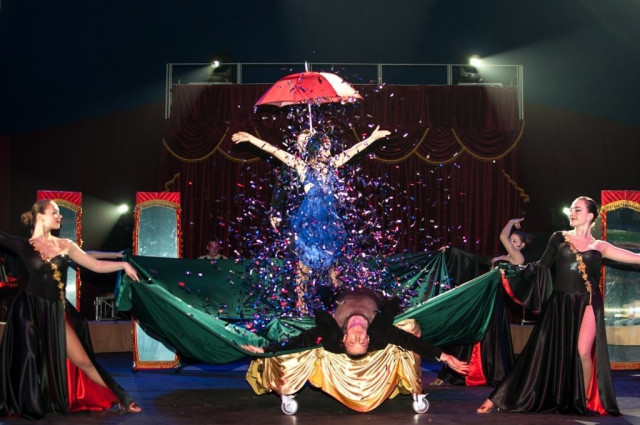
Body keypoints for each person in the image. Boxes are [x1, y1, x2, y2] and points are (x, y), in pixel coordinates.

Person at [477, 196, 640, 415]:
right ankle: (499, 397)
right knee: (537, 351)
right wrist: (511, 272)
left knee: (583, 351)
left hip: (589, 302)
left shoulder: (600, 246)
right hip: (561, 303)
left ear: (590, 216)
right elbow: (541, 267)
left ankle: (582, 401)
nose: (572, 213)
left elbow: (636, 257)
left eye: (577, 209)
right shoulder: (559, 237)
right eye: (571, 209)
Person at [0, 199, 143, 419]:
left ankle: (123, 399)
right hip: (28, 312)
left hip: (56, 312)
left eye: (59, 213)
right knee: (29, 359)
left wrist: (123, 264)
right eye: (55, 212)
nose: (59, 216)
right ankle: (30, 404)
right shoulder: (21, 245)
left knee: (83, 361)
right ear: (40, 216)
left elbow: (94, 264)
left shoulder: (65, 244)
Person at [232, 126, 391, 271]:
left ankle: (334, 291)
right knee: (304, 267)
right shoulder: (301, 166)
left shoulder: (333, 164)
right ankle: (301, 294)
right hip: (308, 223)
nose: (329, 152)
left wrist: (372, 138)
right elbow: (274, 150)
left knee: (332, 266)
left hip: (329, 222)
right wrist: (250, 138)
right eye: (325, 148)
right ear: (316, 148)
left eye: (329, 148)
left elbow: (354, 150)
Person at [241, 286, 469, 374]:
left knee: (320, 289)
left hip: (341, 290)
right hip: (375, 291)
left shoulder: (332, 331)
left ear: (344, 339)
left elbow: (301, 340)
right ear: (368, 339)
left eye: (353, 342)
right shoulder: (379, 331)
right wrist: (444, 356)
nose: (358, 337)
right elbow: (412, 342)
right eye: (362, 341)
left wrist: (266, 351)